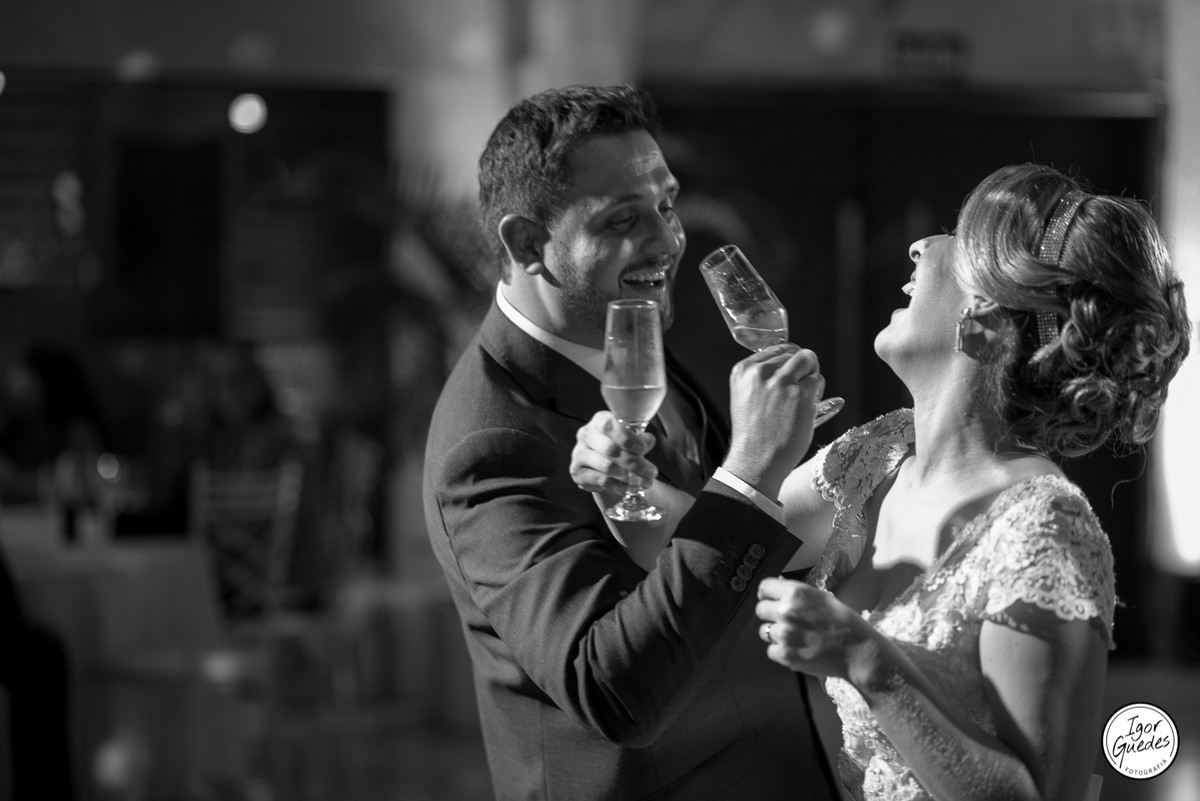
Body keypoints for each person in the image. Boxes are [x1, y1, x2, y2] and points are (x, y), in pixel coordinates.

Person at [576, 162, 1191, 800]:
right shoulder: (882, 454)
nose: (921, 245)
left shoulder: (1043, 530)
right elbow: (707, 554)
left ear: (987, 318)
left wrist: (870, 662)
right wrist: (625, 487)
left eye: (958, 233)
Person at [422, 84, 840, 800]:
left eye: (667, 205)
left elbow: (716, 565)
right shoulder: (490, 440)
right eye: (622, 219)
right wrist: (749, 474)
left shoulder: (626, 328)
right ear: (528, 243)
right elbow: (613, 691)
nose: (669, 239)